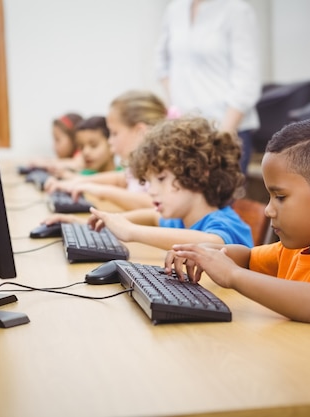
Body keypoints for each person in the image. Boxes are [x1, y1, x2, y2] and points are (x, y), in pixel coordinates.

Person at [165, 117, 310, 365]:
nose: (269, 210)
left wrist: (233, 276)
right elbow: (249, 258)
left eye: (280, 197)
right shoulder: (298, 248)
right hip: (304, 372)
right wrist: (208, 253)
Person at [43, 117, 254, 250]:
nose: (151, 190)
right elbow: (154, 217)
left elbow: (214, 243)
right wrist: (95, 224)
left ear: (200, 173)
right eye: (149, 181)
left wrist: (132, 232)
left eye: (161, 179)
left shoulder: (225, 224)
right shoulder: (181, 219)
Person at [155, 0, 261, 174]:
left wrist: (222, 137)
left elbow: (247, 80)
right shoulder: (175, 9)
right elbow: (161, 64)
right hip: (185, 132)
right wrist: (177, 110)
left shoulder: (236, 11)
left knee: (220, 199)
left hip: (227, 130)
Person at [44, 90, 167, 210]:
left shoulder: (163, 166)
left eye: (114, 133)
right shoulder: (140, 166)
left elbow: (153, 204)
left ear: (140, 132)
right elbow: (120, 179)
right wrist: (79, 182)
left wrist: (99, 190)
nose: (110, 141)